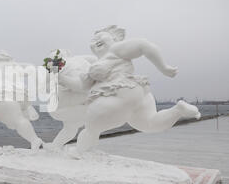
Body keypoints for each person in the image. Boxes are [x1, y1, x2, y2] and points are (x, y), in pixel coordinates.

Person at [71, 25, 201, 158]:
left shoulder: (115, 50)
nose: (95, 41)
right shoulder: (100, 61)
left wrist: (164, 68)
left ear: (115, 39)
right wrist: (60, 77)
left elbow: (143, 45)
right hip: (138, 94)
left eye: (100, 37)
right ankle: (178, 110)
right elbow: (81, 86)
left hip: (122, 91)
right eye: (92, 40)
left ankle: (80, 154)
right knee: (149, 124)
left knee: (91, 126)